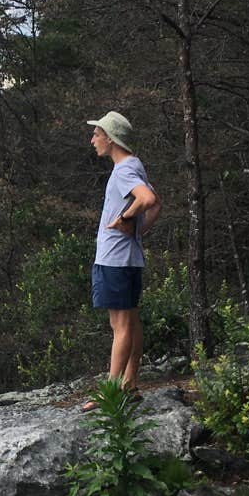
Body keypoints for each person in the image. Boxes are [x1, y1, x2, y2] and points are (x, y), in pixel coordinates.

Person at [85, 111, 161, 405]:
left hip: (114, 260)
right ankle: (129, 384)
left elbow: (148, 200)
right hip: (128, 257)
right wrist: (136, 229)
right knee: (131, 322)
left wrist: (124, 219)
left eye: (97, 134)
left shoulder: (123, 171)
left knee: (120, 327)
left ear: (111, 138)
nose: (93, 140)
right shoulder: (135, 165)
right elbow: (156, 205)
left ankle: (111, 393)